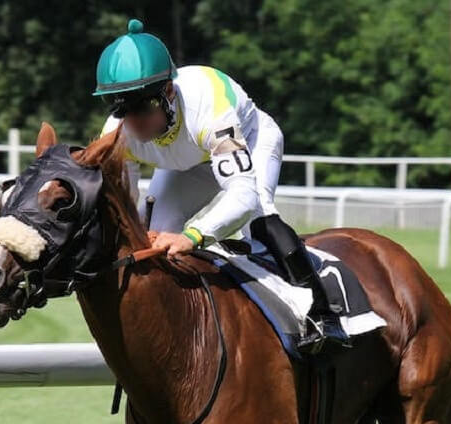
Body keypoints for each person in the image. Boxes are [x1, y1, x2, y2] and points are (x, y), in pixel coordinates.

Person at [94, 19, 349, 352]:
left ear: (169, 93)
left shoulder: (210, 107)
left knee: (258, 219)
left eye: (143, 106)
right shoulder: (116, 133)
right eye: (121, 108)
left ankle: (321, 310)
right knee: (149, 235)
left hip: (251, 142)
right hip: (186, 165)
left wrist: (192, 236)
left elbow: (241, 196)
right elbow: (124, 212)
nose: (133, 122)